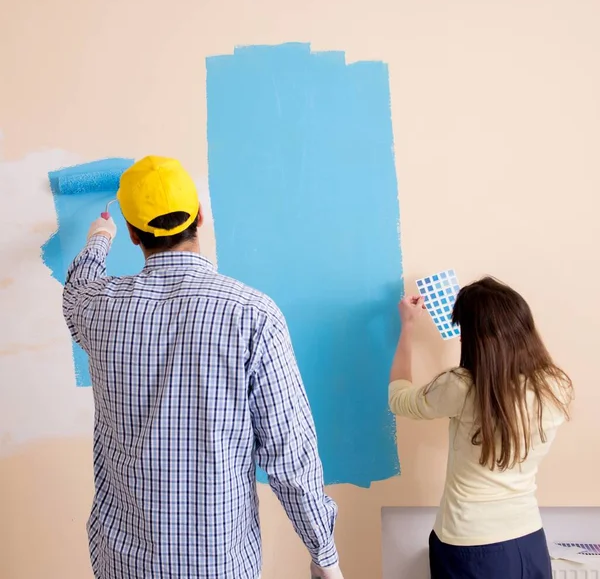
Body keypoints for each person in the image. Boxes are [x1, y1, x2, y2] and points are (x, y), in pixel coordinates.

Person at [62, 156, 343, 579]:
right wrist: (324, 554)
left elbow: (75, 292)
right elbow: (290, 454)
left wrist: (99, 238)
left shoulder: (99, 308)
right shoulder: (253, 315)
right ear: (200, 217)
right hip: (218, 565)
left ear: (135, 236)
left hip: (123, 562)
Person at [388, 277, 573, 579]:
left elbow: (399, 399)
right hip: (529, 540)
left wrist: (407, 327)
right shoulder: (555, 386)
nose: (461, 339)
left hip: (470, 545)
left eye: (464, 332)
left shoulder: (461, 387)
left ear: (477, 340)